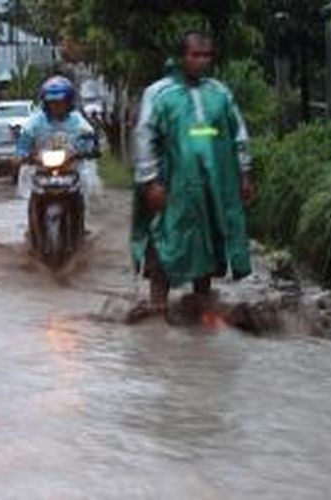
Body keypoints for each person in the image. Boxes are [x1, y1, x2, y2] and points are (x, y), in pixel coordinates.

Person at [131, 30, 255, 312]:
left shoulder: (220, 94)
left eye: (207, 55)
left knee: (207, 242)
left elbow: (238, 134)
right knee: (163, 243)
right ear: (181, 57)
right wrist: (150, 182)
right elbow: (144, 136)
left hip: (212, 184)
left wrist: (245, 173)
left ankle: (201, 310)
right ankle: (157, 311)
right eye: (195, 55)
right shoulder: (159, 93)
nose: (202, 61)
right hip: (170, 186)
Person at [15, 76, 102, 200]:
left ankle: (79, 211)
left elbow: (89, 139)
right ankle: (33, 215)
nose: (56, 106)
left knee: (86, 178)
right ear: (45, 103)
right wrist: (21, 154)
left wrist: (88, 149)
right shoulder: (35, 122)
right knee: (26, 175)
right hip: (41, 169)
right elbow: (24, 140)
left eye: (60, 102)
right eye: (52, 103)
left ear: (68, 102)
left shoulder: (77, 121)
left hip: (71, 168)